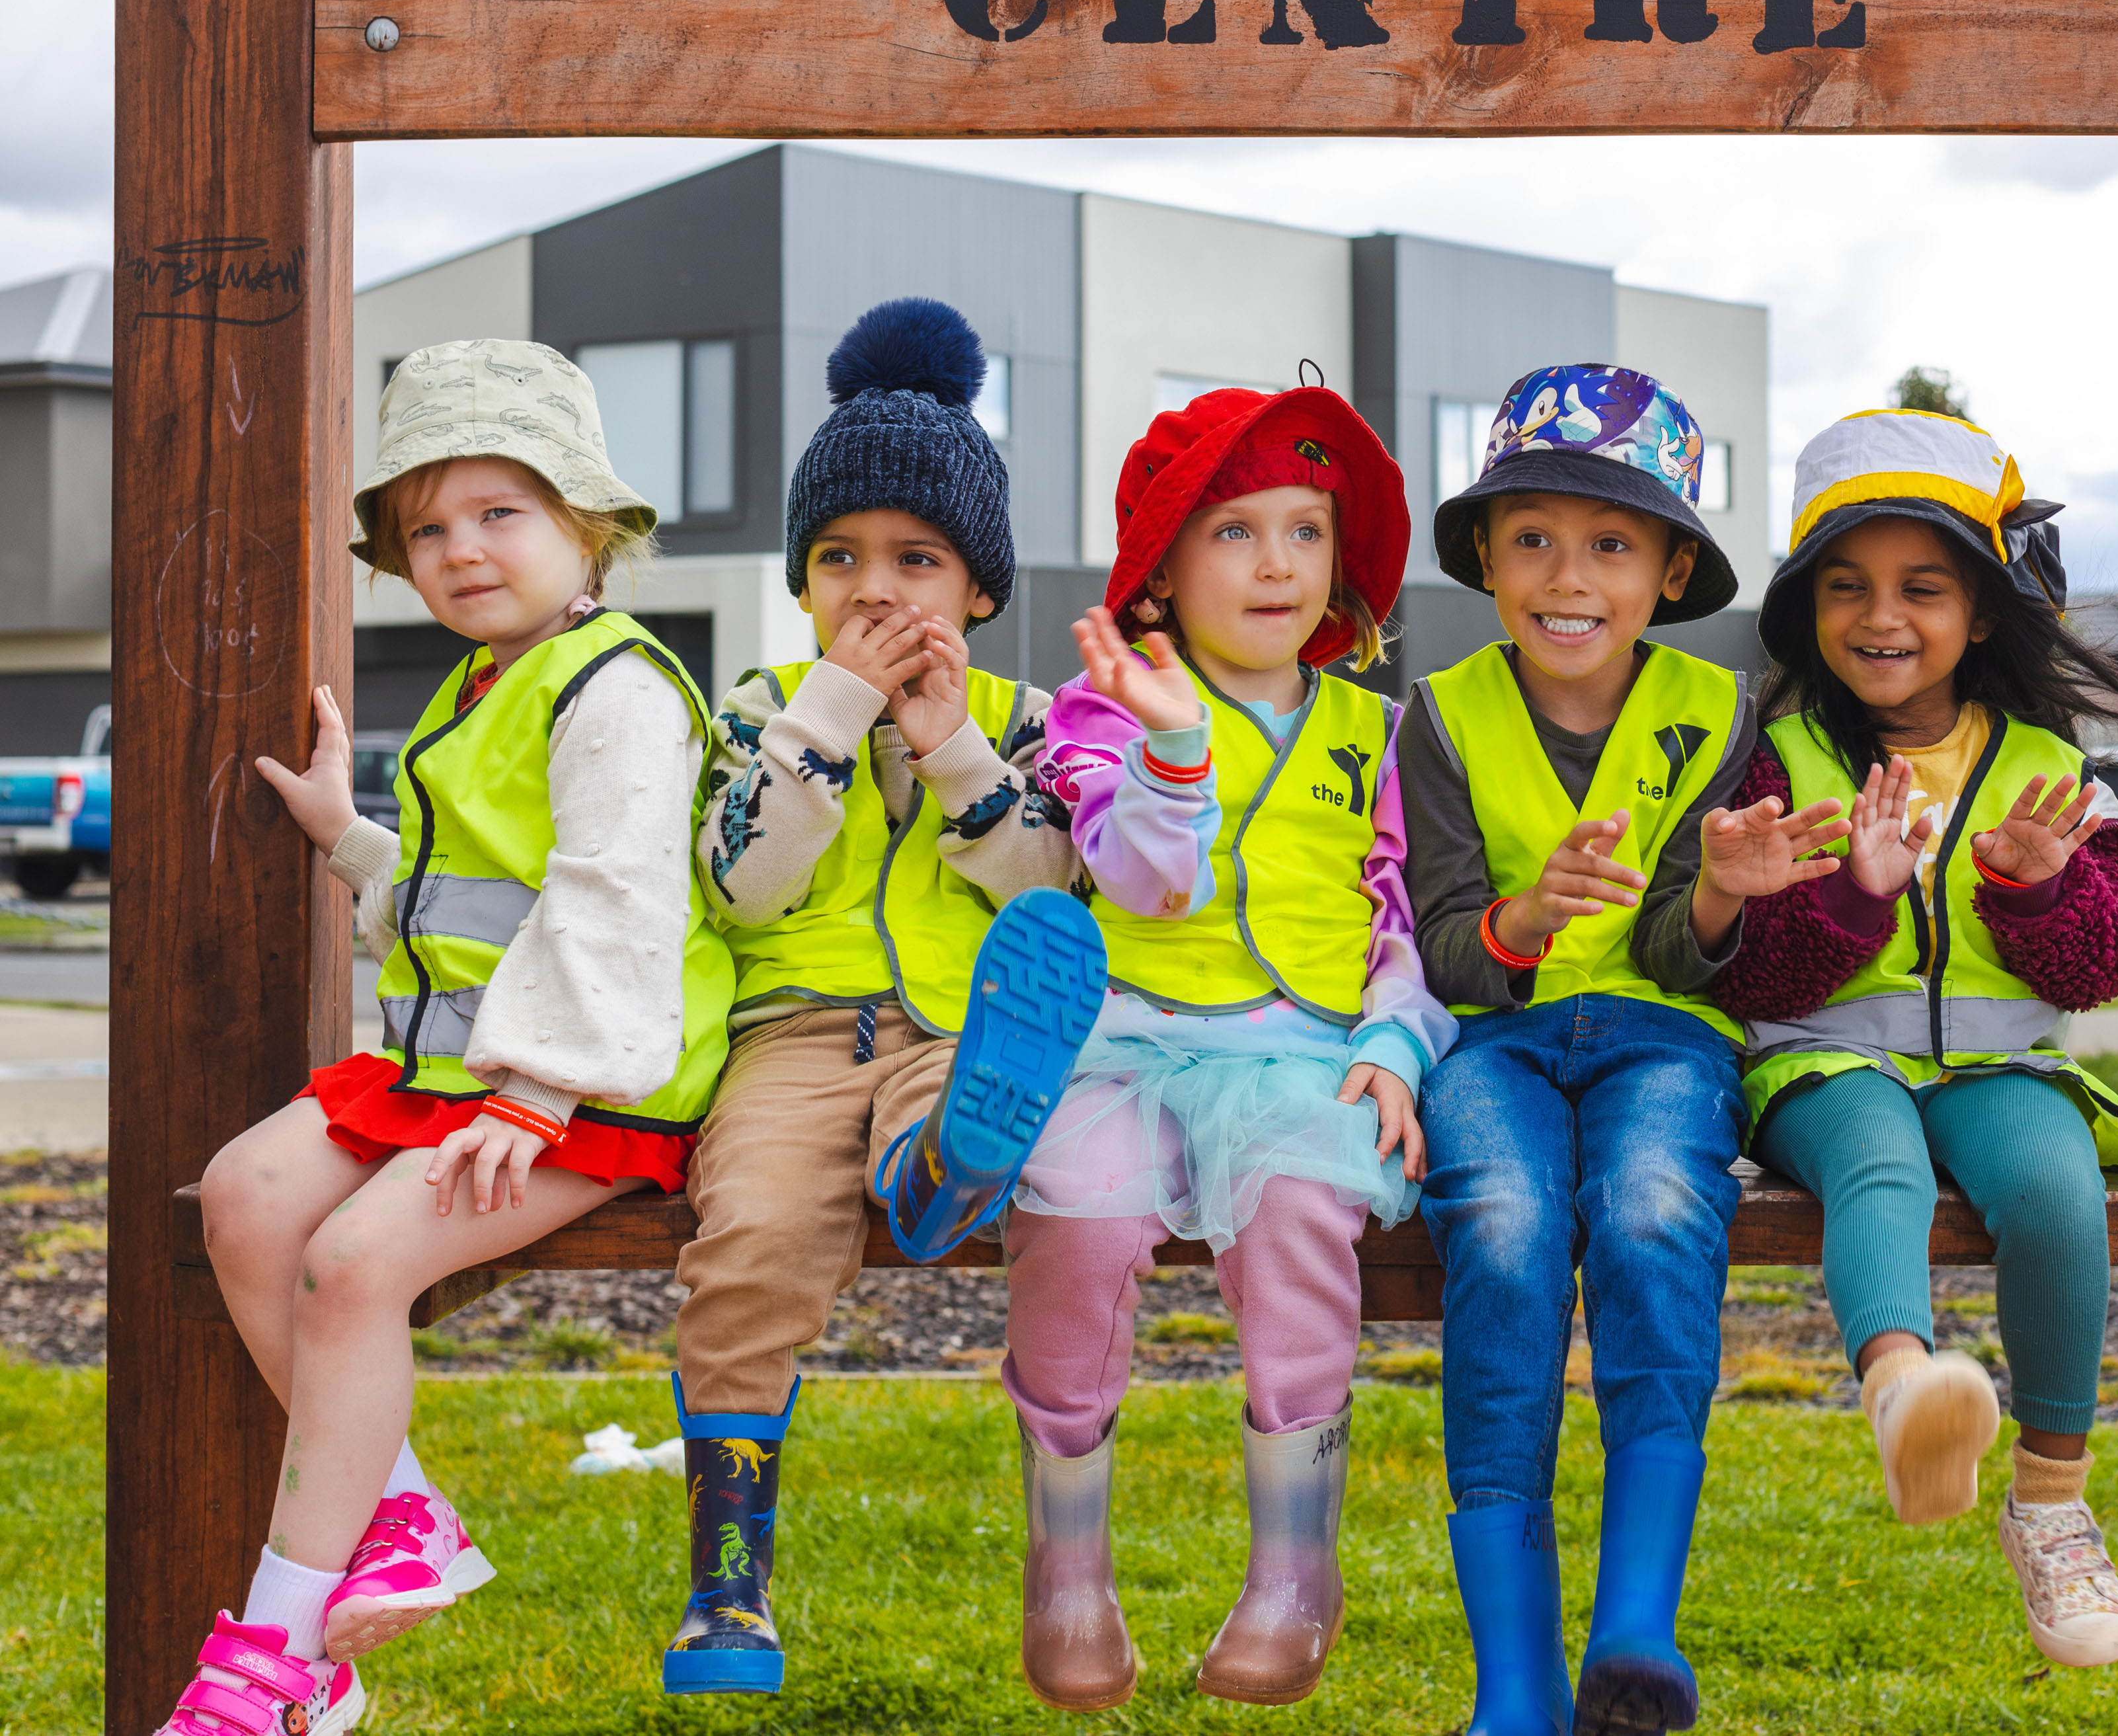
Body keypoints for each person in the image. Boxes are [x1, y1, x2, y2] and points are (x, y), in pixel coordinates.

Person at [179, 342, 732, 1736]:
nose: (459, 549)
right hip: (460, 1070)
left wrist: (539, 1090)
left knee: (354, 1261)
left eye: (501, 512)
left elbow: (614, 901)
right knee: (246, 1194)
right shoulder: (489, 684)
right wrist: (347, 834)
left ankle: (282, 1652)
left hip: (588, 1081)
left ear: (584, 524)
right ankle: (402, 1510)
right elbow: (472, 897)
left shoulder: (616, 685)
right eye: (427, 526)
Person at [668, 298, 1103, 1695]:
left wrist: (960, 750)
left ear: (979, 589)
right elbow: (745, 889)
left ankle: (940, 1168)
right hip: (794, 1032)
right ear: (801, 581)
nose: (876, 587)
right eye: (840, 557)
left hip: (963, 1030)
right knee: (746, 1239)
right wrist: (833, 723)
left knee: (962, 1108)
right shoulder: (764, 706)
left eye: (917, 559)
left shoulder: (1028, 720)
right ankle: (727, 1590)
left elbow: (1047, 887)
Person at [1401, 364, 1836, 1736]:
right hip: (1496, 1044)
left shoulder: (1718, 715)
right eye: (1530, 537)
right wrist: (1525, 917)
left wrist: (1718, 890)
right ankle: (1516, 1686)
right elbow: (1444, 941)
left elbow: (1677, 951)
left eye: (1610, 543)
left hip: (1663, 1038)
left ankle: (1636, 1629)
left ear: (1668, 570)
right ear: (1483, 556)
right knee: (1510, 1224)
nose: (1567, 574)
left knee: (1654, 1207)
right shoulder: (1443, 712)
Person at [1009, 382, 1447, 1712]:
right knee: (1073, 1219)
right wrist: (1177, 748)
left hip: (1301, 1057)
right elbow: (1141, 879)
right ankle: (1067, 1561)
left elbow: (1406, 924)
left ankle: (1295, 1567)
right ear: (1163, 566)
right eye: (1236, 531)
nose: (1276, 564)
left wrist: (1395, 1043)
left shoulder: (1378, 732)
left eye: (1306, 532)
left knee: (1305, 1206)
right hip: (1129, 1046)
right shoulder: (1105, 710)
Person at [1715, 407, 2118, 1668]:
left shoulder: (2048, 766)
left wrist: (2032, 886)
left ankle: (2055, 1501)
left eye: (1922, 586)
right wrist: (1852, 890)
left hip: (2000, 1062)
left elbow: (2105, 961)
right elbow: (1761, 969)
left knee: (2058, 1188)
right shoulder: (1775, 757)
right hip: (1823, 1056)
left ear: (1981, 609)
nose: (1880, 615)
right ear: (1807, 607)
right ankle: (1908, 1392)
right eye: (1845, 586)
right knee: (1878, 1161)